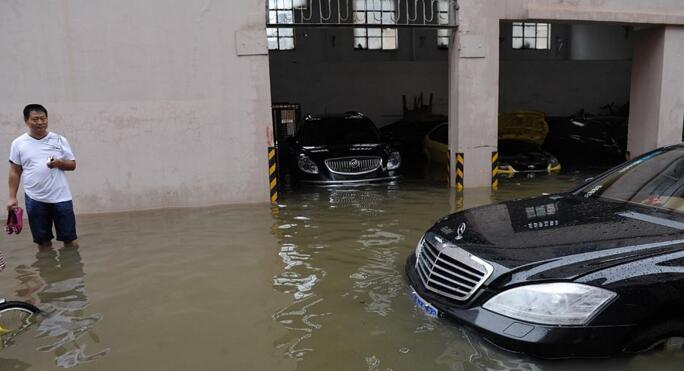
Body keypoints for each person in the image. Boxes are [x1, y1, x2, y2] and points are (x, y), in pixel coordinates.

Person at [7, 104, 78, 248]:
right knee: (43, 242)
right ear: (26, 121)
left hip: (61, 197)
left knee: (70, 240)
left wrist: (59, 163)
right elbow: (15, 171)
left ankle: (71, 269)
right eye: (35, 119)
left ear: (47, 119)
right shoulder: (18, 143)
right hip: (35, 199)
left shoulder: (59, 140)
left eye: (43, 118)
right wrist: (12, 197)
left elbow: (72, 165)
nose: (40, 122)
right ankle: (47, 270)